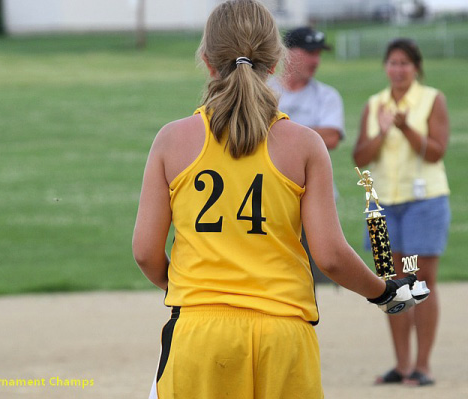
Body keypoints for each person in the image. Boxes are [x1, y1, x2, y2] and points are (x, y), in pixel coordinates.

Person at [132, 2, 426, 398]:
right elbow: (332, 256)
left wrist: (194, 288)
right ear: (275, 64)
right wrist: (384, 293)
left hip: (199, 333)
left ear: (206, 61)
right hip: (284, 333)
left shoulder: (172, 139)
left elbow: (146, 253)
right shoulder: (306, 144)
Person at [353, 38, 450, 387]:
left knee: (419, 283)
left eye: (404, 63)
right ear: (385, 67)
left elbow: (436, 152)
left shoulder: (431, 100)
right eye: (392, 63)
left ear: (416, 67)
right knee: (392, 286)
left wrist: (406, 127)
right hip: (383, 207)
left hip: (423, 204)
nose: (398, 69)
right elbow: (360, 158)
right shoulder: (374, 104)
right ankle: (403, 364)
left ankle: (423, 365)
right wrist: (382, 130)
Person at [267, 26, 345, 284]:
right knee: (273, 275)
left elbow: (332, 137)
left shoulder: (327, 95)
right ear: (287, 53)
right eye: (310, 52)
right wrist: (307, 135)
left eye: (319, 53)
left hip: (314, 199)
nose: (316, 60)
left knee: (318, 273)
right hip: (268, 198)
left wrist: (277, 130)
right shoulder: (263, 89)